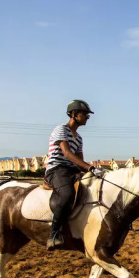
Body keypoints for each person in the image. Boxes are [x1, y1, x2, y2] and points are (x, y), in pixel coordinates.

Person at [45, 100, 105, 251]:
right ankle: (54, 235)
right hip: (56, 169)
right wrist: (91, 167)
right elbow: (67, 153)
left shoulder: (78, 138)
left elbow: (79, 160)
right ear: (73, 114)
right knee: (67, 194)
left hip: (72, 170)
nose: (87, 118)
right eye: (84, 114)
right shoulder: (61, 129)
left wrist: (91, 172)